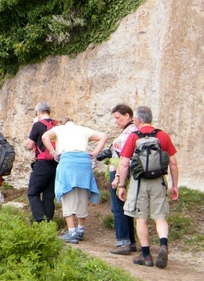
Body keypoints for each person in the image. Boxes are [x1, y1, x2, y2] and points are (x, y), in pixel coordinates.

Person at [113, 106, 179, 268]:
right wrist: (174, 185)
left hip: (139, 182)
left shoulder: (134, 136)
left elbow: (124, 163)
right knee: (160, 217)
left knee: (140, 218)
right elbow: (173, 162)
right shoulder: (162, 135)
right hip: (158, 181)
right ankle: (163, 245)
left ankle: (146, 255)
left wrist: (121, 185)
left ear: (138, 120)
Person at [42, 119, 107, 243]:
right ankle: (81, 230)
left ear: (63, 123)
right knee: (82, 194)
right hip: (84, 162)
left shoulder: (59, 129)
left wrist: (54, 152)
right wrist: (95, 152)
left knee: (67, 193)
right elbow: (104, 136)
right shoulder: (83, 129)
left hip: (68, 161)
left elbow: (45, 136)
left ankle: (72, 232)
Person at [107, 104, 138, 255]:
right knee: (127, 206)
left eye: (118, 118)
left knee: (118, 206)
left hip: (121, 171)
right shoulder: (136, 131)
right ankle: (131, 241)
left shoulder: (128, 134)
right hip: (132, 172)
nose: (116, 121)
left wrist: (118, 178)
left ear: (127, 116)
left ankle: (123, 242)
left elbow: (122, 158)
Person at [25, 102, 58, 222]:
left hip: (42, 163)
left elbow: (29, 145)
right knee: (49, 195)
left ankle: (40, 221)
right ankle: (48, 222)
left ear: (38, 112)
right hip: (56, 162)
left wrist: (34, 124)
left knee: (33, 193)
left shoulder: (37, 125)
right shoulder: (57, 125)